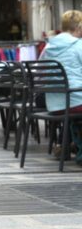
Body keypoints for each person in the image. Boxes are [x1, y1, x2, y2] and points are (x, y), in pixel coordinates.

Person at [39, 10, 82, 165]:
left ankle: (69, 147)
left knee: (75, 109)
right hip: (76, 102)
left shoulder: (48, 47)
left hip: (54, 104)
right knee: (77, 105)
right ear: (79, 27)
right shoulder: (79, 45)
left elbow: (40, 72)